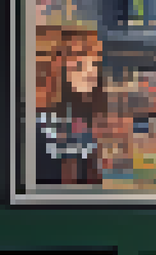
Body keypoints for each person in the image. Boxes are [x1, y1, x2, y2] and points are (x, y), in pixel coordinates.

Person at [34, 24, 107, 185]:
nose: (91, 73)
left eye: (94, 64)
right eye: (79, 66)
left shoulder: (85, 117)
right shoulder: (48, 124)